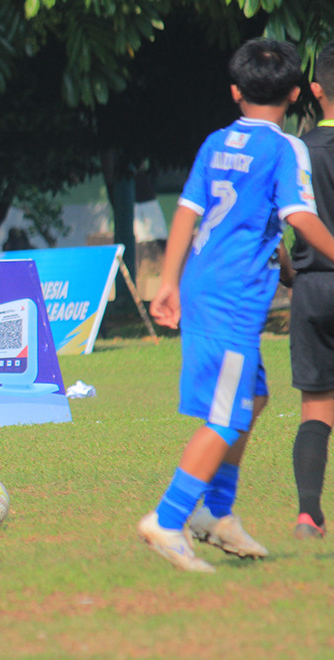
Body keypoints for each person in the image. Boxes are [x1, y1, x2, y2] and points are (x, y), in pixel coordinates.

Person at [140, 39, 334, 572]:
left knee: (255, 397)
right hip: (230, 298)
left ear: (234, 92)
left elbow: (189, 210)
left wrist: (168, 281)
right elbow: (299, 217)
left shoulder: (216, 141)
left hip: (208, 285)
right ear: (295, 94)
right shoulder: (285, 148)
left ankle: (218, 513)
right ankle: (168, 518)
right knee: (225, 419)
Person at [290, 41, 334, 540]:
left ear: (316, 89)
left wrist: (288, 270)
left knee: (316, 408)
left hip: (313, 287)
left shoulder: (298, 150)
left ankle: (308, 514)